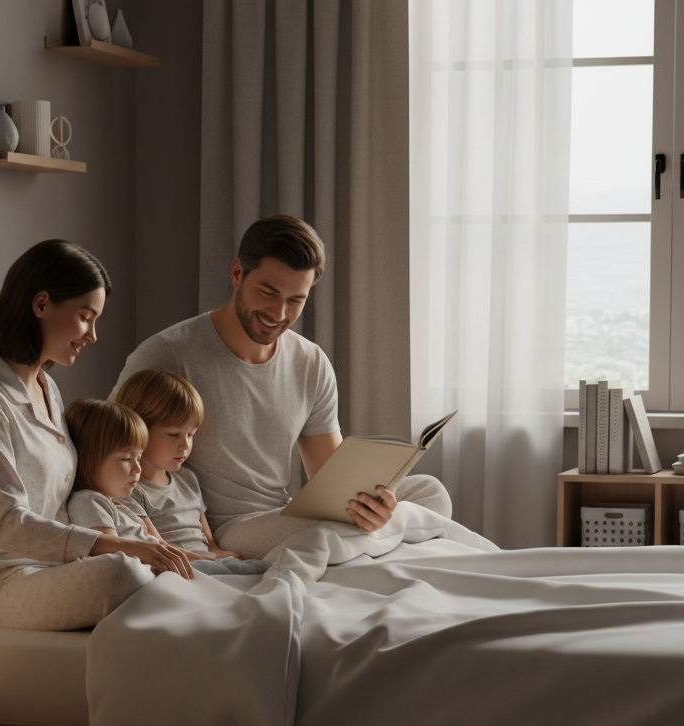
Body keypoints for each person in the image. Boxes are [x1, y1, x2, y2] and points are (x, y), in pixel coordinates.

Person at [109, 214, 452, 559]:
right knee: (336, 529)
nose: (278, 312)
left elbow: (329, 479)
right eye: (268, 292)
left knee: (429, 492)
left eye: (295, 300)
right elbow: (107, 448)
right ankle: (375, 544)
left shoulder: (310, 362)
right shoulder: (167, 353)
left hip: (283, 514)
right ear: (237, 273)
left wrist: (373, 505)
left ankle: (371, 539)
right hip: (225, 528)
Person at [0, 239, 192, 633]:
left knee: (152, 568)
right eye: (85, 317)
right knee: (124, 573)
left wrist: (134, 531)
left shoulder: (46, 387)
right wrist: (124, 546)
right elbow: (8, 523)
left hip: (60, 566)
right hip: (2, 582)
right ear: (41, 304)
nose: (92, 335)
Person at [65, 394, 269, 577]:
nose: (137, 469)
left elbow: (161, 545)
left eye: (139, 457)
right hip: (157, 572)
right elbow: (109, 555)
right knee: (253, 573)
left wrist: (210, 559)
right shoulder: (88, 501)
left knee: (256, 570)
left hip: (169, 565)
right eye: (127, 459)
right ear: (89, 460)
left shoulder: (124, 504)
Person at [114, 369, 271, 575]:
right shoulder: (129, 488)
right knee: (260, 573)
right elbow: (156, 547)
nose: (185, 445)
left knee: (271, 570)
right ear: (139, 428)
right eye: (174, 434)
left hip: (204, 559)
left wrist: (215, 550)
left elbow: (201, 523)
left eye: (191, 434)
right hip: (174, 564)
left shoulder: (187, 478)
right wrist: (208, 561)